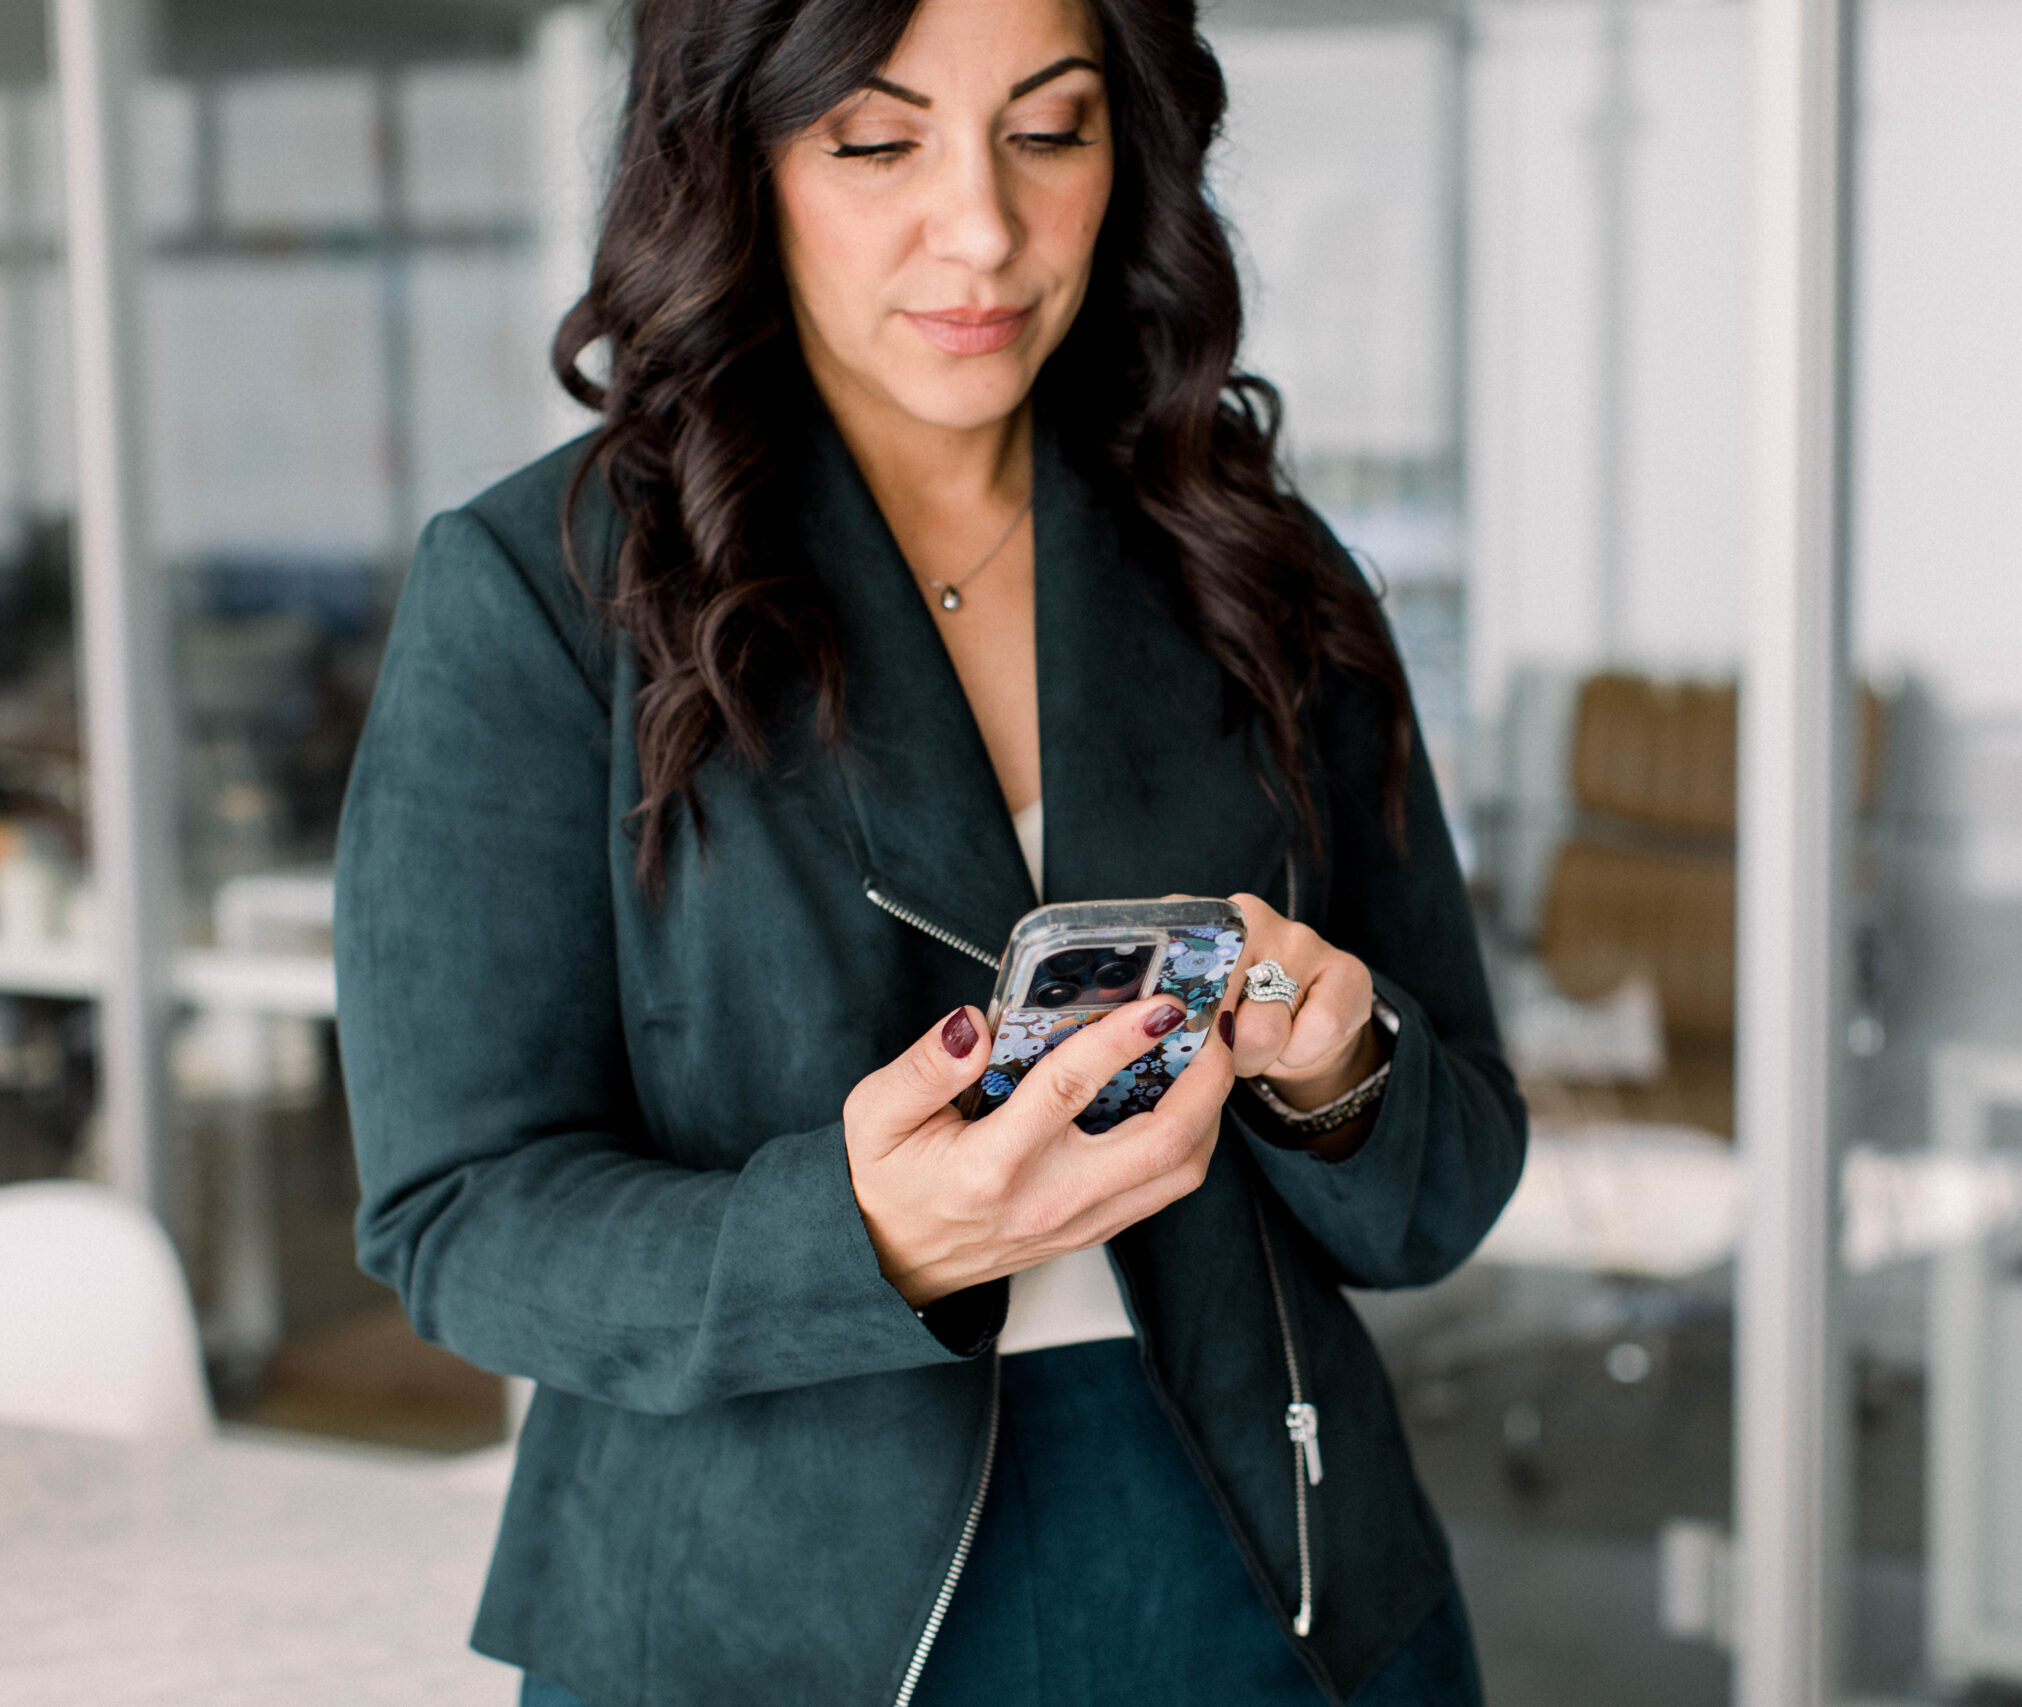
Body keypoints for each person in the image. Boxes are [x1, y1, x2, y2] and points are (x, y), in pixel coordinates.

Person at [334, 0, 1526, 1700]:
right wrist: (866, 1241)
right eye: (876, 142)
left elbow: (1452, 1178)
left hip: (1269, 1575)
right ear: (735, 157)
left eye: (1047, 133)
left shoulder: (1256, 566)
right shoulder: (544, 592)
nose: (979, 228)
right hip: (755, 1617)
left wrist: (1337, 1068)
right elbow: (457, 1217)